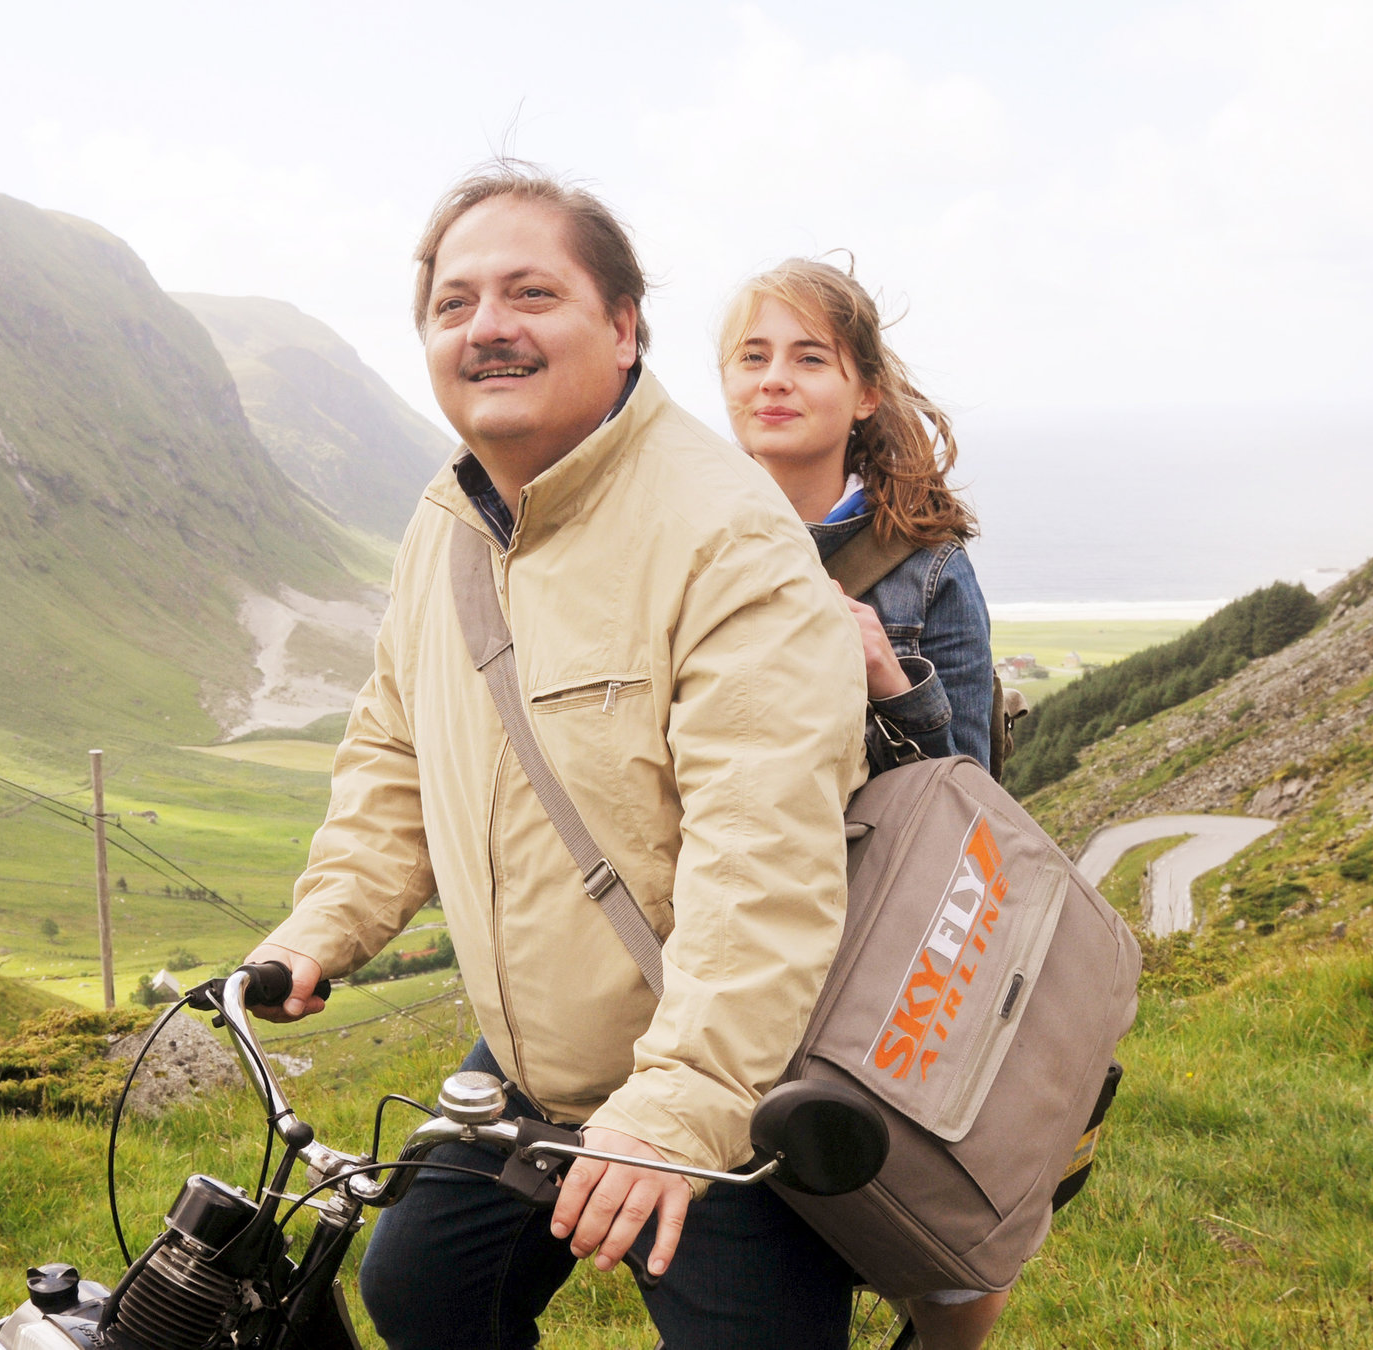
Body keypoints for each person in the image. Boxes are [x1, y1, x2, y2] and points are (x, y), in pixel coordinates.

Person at [242, 164, 872, 1350]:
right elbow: (393, 747)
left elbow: (766, 860)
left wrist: (678, 1111)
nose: (487, 328)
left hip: (721, 1070)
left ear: (624, 328)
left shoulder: (726, 536)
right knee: (421, 1294)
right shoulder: (450, 523)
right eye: (455, 304)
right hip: (534, 1063)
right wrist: (321, 926)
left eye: (531, 294)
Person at [720, 257, 1005, 1349]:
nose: (775, 382)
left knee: (909, 1216)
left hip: (865, 930)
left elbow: (968, 801)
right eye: (752, 358)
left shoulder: (926, 568)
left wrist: (894, 687)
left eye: (809, 359)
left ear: (865, 391)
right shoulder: (687, 537)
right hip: (721, 914)